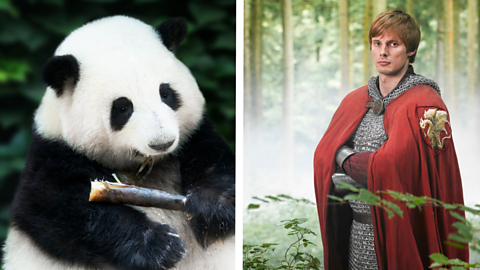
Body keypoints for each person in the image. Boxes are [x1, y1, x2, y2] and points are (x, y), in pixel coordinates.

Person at [313, 9, 468, 270]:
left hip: (405, 235)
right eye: (377, 44)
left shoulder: (425, 105)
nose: (383, 52)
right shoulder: (354, 101)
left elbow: (395, 165)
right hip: (356, 232)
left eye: (393, 44)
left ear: (410, 50)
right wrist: (349, 161)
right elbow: (322, 154)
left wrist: (343, 158)